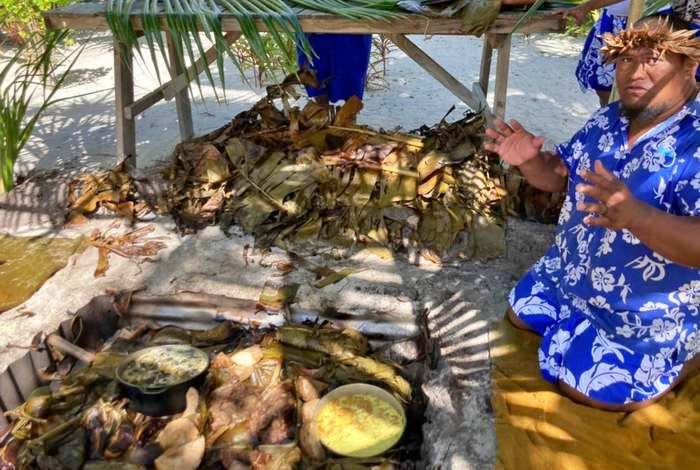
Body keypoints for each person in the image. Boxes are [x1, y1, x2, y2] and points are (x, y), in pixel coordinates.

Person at [485, 15, 700, 412]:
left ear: (689, 65)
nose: (635, 72)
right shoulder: (607, 120)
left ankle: (686, 354)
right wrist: (530, 161)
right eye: (624, 61)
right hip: (567, 276)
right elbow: (559, 175)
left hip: (641, 312)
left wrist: (639, 217)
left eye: (652, 59)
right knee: (520, 313)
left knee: (585, 389)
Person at [558, 0, 700, 107]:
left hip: (657, 25)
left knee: (676, 92)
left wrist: (586, 7)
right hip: (620, 19)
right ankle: (612, 127)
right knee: (604, 85)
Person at [560, 0, 631, 106]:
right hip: (612, 18)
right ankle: (609, 118)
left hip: (637, 23)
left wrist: (584, 8)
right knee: (603, 86)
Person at [297, 34, 373, 106]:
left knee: (349, 91)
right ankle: (319, 114)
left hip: (352, 34)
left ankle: (346, 116)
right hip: (313, 32)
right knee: (316, 91)